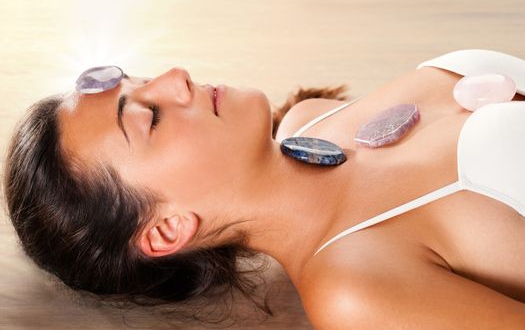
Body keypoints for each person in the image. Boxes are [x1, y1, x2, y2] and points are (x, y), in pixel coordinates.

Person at [3, 49, 525, 329]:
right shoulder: (354, 292)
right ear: (167, 229)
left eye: (140, 80)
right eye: (150, 116)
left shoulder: (313, 117)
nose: (174, 76)